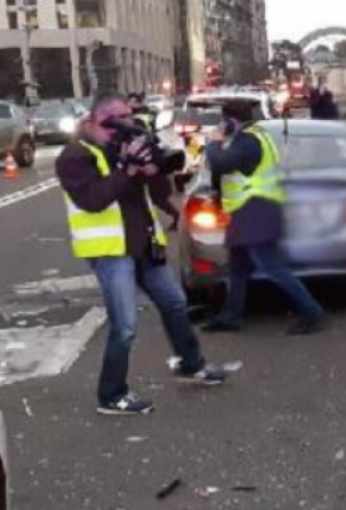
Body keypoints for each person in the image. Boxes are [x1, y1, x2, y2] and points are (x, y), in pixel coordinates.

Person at [57, 92, 227, 415]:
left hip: (146, 243)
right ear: (93, 121)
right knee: (124, 326)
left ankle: (192, 365)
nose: (123, 126)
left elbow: (160, 193)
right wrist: (129, 170)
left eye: (128, 117)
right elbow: (93, 200)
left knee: (175, 303)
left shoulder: (128, 146)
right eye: (114, 122)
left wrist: (155, 171)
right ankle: (112, 395)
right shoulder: (74, 156)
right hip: (111, 251)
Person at [201, 100, 327, 335]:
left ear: (231, 120)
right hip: (249, 211)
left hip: (255, 212)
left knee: (272, 266)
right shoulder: (256, 135)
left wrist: (213, 142)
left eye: (223, 120)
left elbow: (221, 162)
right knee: (238, 267)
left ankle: (312, 312)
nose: (221, 125)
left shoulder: (248, 141)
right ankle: (231, 316)